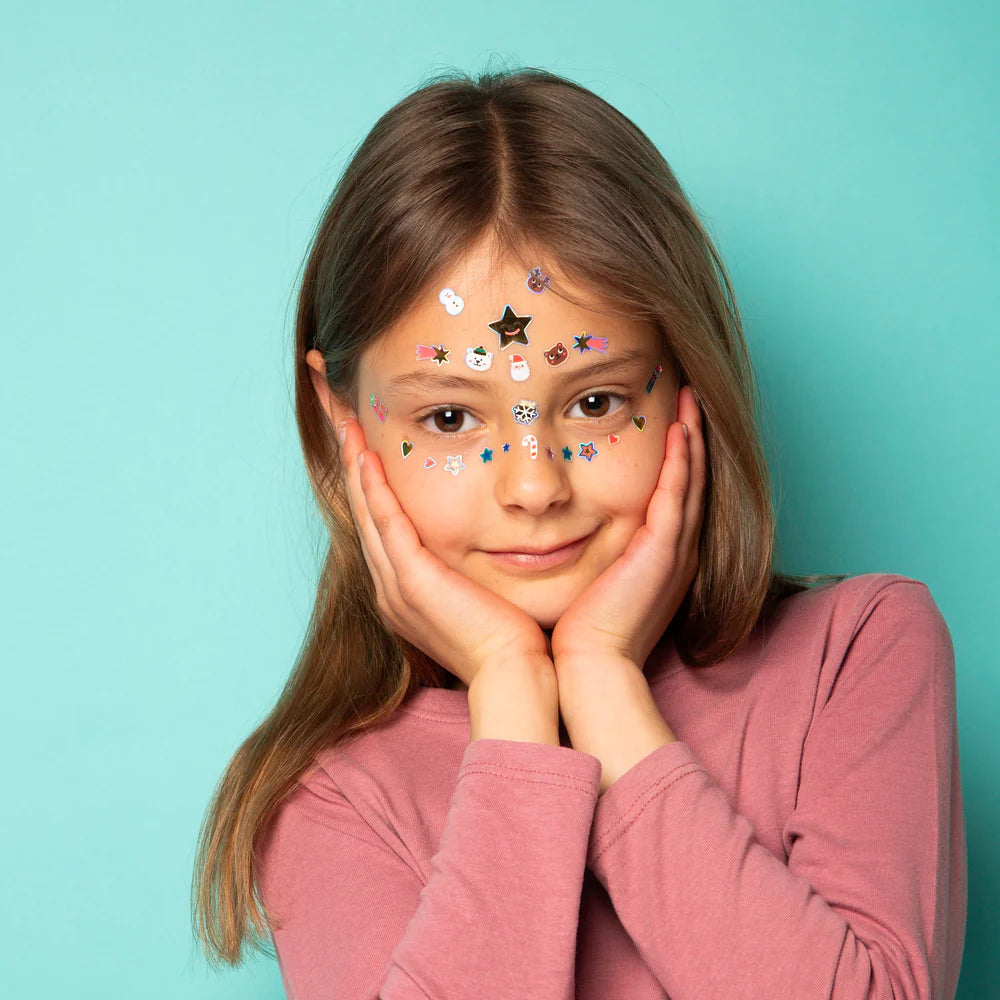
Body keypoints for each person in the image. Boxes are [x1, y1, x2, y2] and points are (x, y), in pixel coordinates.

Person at [191, 67, 967, 999]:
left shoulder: (857, 655)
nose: (533, 485)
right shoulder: (330, 796)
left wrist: (605, 682)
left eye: (596, 402)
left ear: (688, 380)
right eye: (449, 420)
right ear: (339, 424)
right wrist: (514, 705)